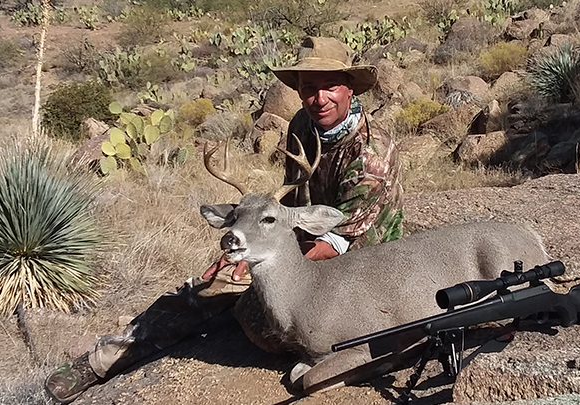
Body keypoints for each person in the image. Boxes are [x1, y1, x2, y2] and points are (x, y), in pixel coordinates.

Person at [45, 36, 403, 404]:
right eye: (309, 88)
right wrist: (247, 240)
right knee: (206, 285)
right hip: (297, 240)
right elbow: (289, 204)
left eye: (330, 87)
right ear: (298, 91)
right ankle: (100, 362)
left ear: (348, 89)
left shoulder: (372, 153)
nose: (319, 98)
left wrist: (261, 265)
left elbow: (338, 240)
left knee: (260, 317)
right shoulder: (301, 126)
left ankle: (330, 350)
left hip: (360, 263)